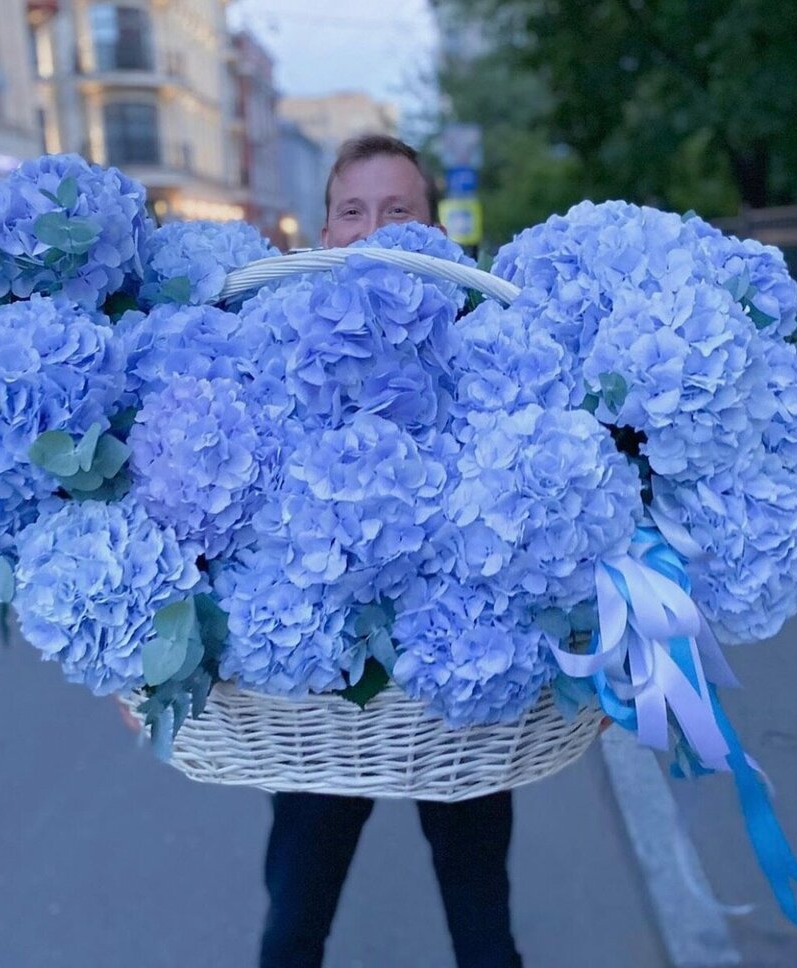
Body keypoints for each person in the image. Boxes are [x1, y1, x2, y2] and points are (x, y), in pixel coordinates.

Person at [258, 134, 524, 968]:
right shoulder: (273, 351)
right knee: (293, 925)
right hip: (325, 706)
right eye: (353, 211)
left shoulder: (484, 343)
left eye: (397, 211)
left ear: (437, 234)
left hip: (458, 694)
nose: (372, 232)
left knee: (484, 927)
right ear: (325, 233)